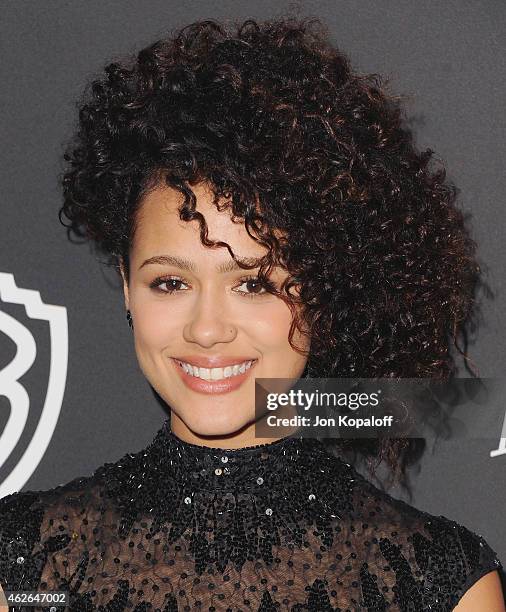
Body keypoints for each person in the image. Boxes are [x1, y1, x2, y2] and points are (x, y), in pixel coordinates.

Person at [0, 16, 504, 612]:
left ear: (322, 292)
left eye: (254, 284)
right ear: (127, 290)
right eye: (170, 281)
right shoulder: (26, 563)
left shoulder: (441, 585)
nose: (207, 329)